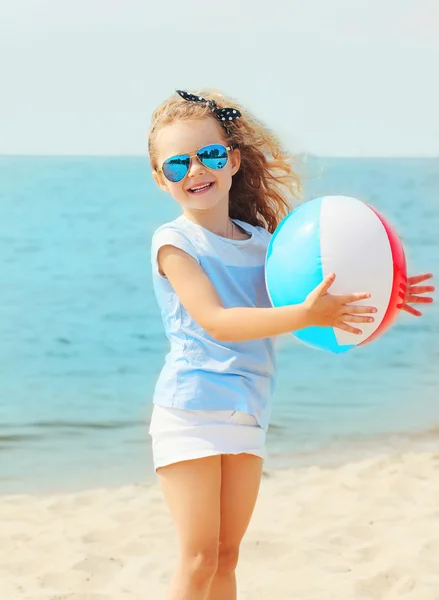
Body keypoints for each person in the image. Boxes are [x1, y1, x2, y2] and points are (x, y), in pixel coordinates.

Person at [147, 89, 435, 600]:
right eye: (178, 164)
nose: (196, 169)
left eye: (210, 155)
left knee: (227, 557)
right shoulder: (174, 243)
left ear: (232, 160)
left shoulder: (263, 244)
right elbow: (218, 321)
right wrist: (307, 313)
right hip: (191, 409)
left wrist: (388, 292)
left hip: (250, 409)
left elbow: (307, 298)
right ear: (161, 178)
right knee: (197, 559)